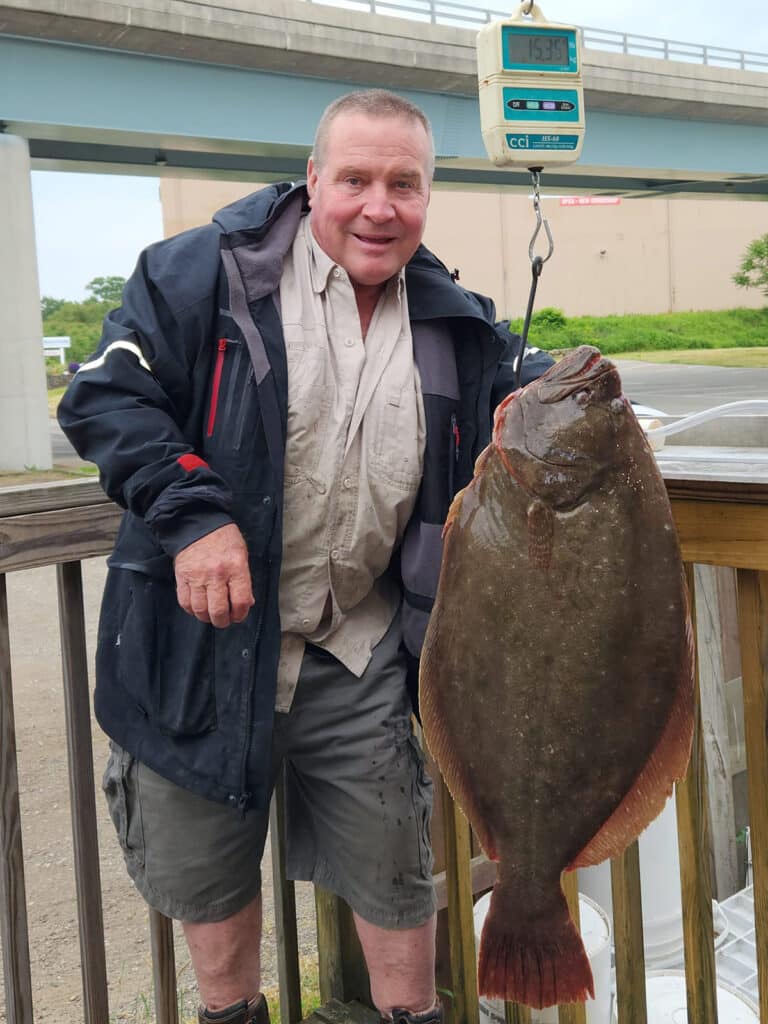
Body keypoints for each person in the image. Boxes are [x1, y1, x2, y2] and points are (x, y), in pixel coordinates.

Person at [58, 89, 554, 1024]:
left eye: (404, 184)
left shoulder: (452, 319)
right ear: (313, 179)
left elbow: (518, 393)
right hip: (201, 645)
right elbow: (105, 398)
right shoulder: (197, 274)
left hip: (356, 648)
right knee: (208, 872)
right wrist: (190, 513)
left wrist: (577, 391)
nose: (380, 206)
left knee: (394, 869)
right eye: (357, 179)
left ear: (427, 196)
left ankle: (412, 1015)